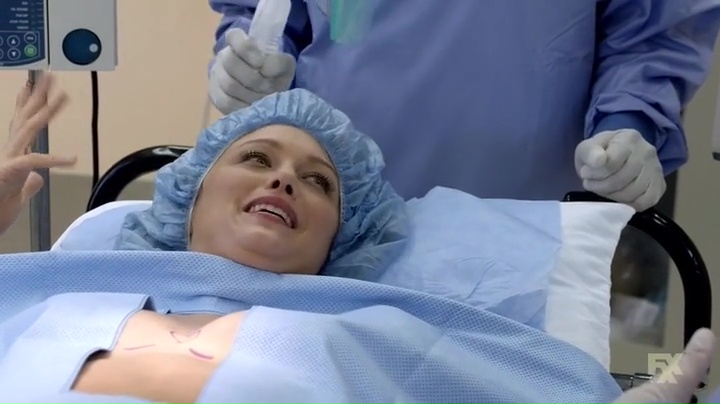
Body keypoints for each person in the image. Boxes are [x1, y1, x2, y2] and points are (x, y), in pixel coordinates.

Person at [0, 75, 717, 404]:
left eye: (317, 182)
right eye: (257, 158)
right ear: (187, 198)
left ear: (340, 242)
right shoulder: (67, 286)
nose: (284, 179)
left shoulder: (379, 332)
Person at [207, 0, 720, 212]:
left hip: (515, 224)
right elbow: (267, 10)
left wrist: (629, 124)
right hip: (323, 207)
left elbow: (653, 32)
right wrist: (251, 59)